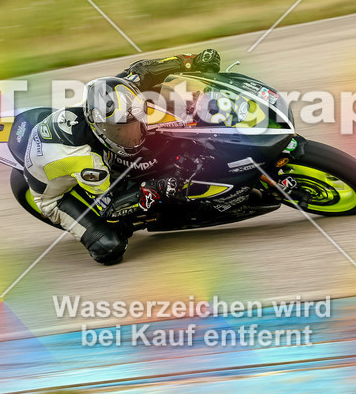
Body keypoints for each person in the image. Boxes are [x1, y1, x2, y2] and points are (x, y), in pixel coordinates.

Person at [19, 49, 221, 264]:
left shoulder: (115, 92)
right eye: (120, 132)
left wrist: (193, 61)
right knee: (111, 246)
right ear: (100, 129)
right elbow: (110, 205)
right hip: (56, 197)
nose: (132, 137)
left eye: (134, 125)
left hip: (67, 139)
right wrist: (155, 188)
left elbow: (143, 70)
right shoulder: (90, 163)